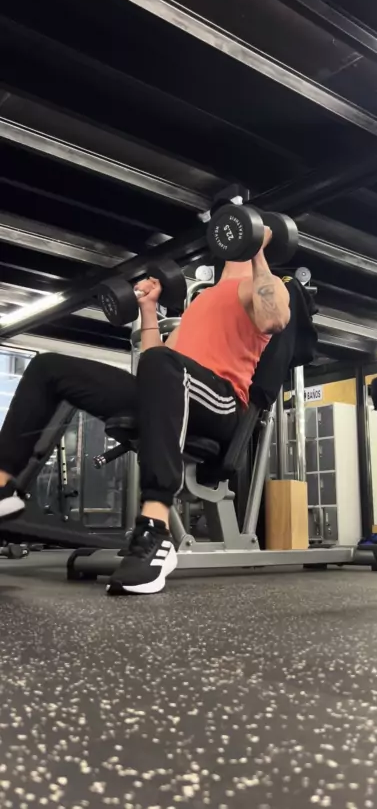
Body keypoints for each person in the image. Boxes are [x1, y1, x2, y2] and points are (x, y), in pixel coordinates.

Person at [0, 228, 290, 595]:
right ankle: (3, 487)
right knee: (49, 368)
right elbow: (154, 365)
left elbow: (273, 320)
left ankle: (155, 529)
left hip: (222, 402)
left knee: (164, 363)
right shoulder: (201, 301)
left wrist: (257, 250)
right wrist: (149, 309)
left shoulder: (265, 284)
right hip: (177, 384)